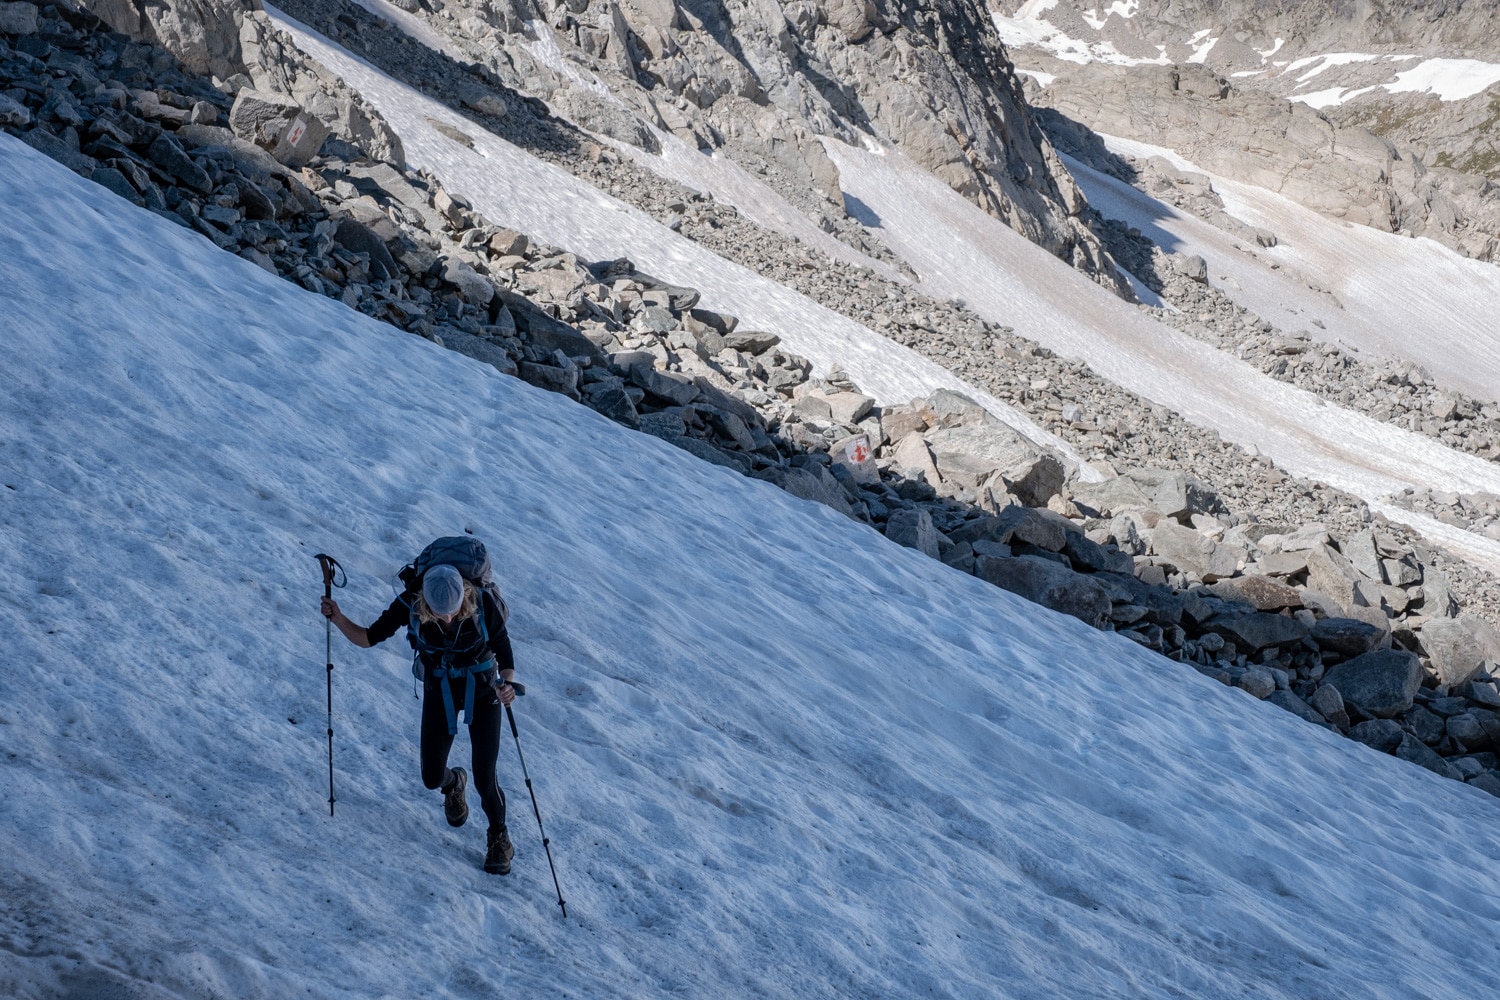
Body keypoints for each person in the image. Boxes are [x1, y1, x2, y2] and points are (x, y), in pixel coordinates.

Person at [321, 562, 519, 875]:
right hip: (439, 688)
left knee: (485, 776)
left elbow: (505, 654)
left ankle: (499, 838)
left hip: (483, 690)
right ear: (425, 602)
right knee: (430, 776)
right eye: (442, 612)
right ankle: (453, 782)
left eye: (454, 610)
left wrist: (506, 684)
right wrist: (339, 617)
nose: (449, 618)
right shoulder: (409, 603)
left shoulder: (482, 602)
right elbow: (369, 637)